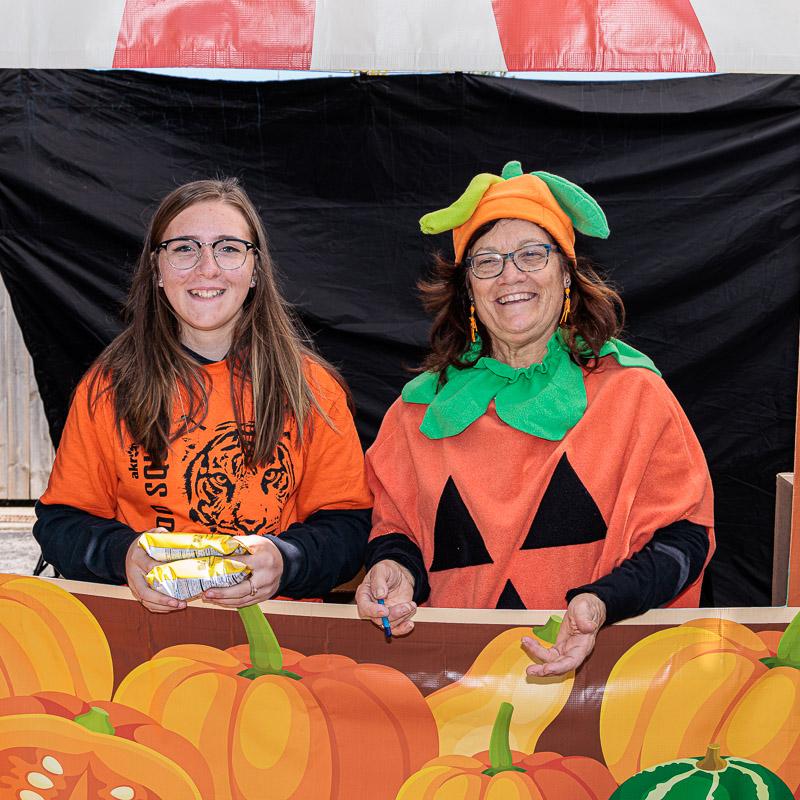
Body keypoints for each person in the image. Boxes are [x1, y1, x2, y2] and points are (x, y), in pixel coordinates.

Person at [356, 160, 714, 675]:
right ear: (468, 290)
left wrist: (601, 603)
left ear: (566, 273)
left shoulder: (635, 394)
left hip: (603, 683)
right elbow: (396, 529)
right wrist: (393, 567)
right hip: (454, 684)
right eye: (488, 261)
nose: (511, 275)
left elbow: (685, 537)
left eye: (531, 254)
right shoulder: (418, 412)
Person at [34, 178, 371, 613]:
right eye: (184, 248)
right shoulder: (109, 387)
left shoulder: (311, 389)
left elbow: (348, 527)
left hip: (279, 635)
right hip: (149, 639)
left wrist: (286, 561)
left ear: (255, 270)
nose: (206, 268)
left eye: (228, 248)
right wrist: (123, 556)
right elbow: (62, 523)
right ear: (157, 270)